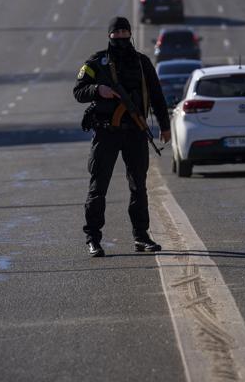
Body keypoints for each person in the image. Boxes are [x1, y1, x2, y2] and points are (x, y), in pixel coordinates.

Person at [73, 16, 171, 258]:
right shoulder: (97, 62)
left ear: (131, 36)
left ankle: (141, 236)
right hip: (106, 132)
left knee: (139, 186)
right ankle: (93, 239)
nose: (122, 41)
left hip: (135, 131)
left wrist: (164, 126)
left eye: (126, 36)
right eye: (117, 37)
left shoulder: (141, 62)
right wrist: (98, 89)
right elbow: (78, 91)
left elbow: (157, 96)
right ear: (109, 37)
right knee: (98, 187)